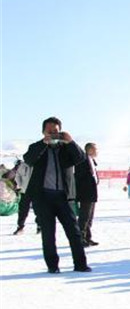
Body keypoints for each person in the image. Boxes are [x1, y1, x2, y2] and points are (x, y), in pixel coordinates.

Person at [22, 116, 91, 273]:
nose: (53, 134)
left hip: (63, 197)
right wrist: (43, 143)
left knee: (74, 232)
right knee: (48, 233)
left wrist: (70, 142)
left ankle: (80, 264)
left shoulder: (65, 149)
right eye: (50, 131)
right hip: (43, 198)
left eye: (56, 131)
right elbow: (29, 159)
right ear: (43, 132)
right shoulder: (37, 147)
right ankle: (53, 266)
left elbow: (80, 158)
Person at [74, 143, 99, 246]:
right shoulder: (83, 160)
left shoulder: (92, 160)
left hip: (92, 192)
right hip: (86, 192)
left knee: (89, 217)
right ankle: (81, 238)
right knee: (84, 217)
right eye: (96, 149)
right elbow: (79, 176)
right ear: (90, 150)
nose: (97, 151)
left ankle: (87, 237)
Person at [12, 159, 38, 235]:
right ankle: (20, 226)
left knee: (38, 210)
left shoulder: (39, 163)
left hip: (37, 192)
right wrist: (20, 186)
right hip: (25, 191)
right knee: (23, 210)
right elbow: (18, 176)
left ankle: (40, 226)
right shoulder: (23, 166)